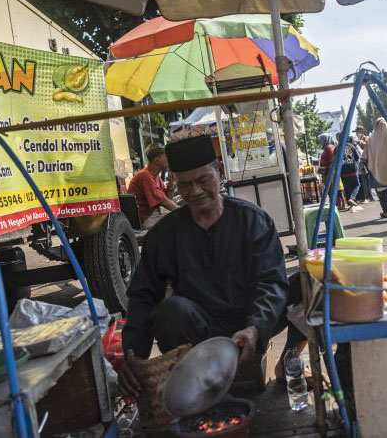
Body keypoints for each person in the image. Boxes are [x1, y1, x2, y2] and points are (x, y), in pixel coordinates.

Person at [118, 135, 294, 398]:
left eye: (203, 180)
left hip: (253, 322)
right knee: (170, 310)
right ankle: (198, 385)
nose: (195, 191)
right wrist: (132, 356)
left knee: (311, 285)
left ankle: (288, 362)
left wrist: (255, 326)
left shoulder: (253, 220)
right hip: (200, 329)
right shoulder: (165, 234)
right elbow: (142, 296)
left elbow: (271, 281)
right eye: (185, 185)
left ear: (219, 173)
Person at [127, 143, 178, 228]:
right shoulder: (145, 175)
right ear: (157, 160)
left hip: (153, 214)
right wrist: (183, 211)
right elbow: (164, 201)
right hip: (145, 219)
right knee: (180, 219)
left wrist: (170, 181)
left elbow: (169, 198)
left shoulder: (155, 176)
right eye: (166, 156)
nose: (169, 159)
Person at [317, 133, 347, 210]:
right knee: (333, 190)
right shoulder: (327, 148)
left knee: (336, 190)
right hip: (329, 173)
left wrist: (325, 168)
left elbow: (333, 162)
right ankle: (338, 206)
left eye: (321, 140)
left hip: (331, 173)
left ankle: (340, 205)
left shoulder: (329, 148)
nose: (320, 142)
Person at [337, 133, 362, 208]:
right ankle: (352, 198)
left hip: (342, 171)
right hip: (352, 170)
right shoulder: (351, 146)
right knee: (357, 185)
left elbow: (334, 160)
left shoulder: (337, 148)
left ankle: (350, 203)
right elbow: (357, 158)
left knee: (347, 188)